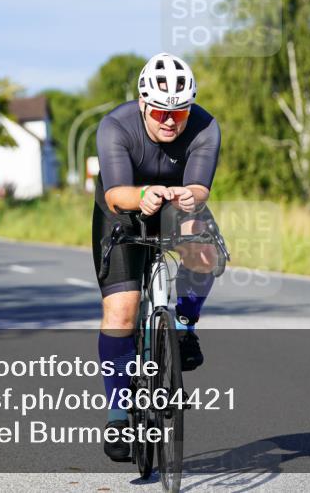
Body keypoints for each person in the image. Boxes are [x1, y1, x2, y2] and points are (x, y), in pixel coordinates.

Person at [91, 52, 221, 461]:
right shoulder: (116, 126)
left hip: (175, 202)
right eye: (161, 112)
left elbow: (200, 187)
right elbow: (115, 194)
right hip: (124, 207)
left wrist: (188, 196)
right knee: (122, 312)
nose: (170, 120)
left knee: (204, 253)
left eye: (179, 113)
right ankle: (117, 413)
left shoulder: (205, 126)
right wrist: (143, 197)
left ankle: (182, 323)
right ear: (144, 105)